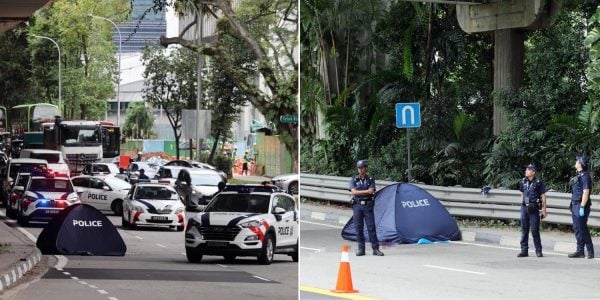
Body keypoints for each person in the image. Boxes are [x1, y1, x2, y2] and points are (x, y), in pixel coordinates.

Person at [349, 160, 384, 257]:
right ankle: (361, 249)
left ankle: (375, 249)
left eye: (362, 168)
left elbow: (372, 191)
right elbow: (354, 192)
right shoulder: (353, 179)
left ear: (365, 168)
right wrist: (366, 191)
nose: (360, 170)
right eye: (359, 168)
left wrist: (360, 191)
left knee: (371, 227)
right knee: (358, 228)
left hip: (368, 205)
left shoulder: (370, 179)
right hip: (357, 206)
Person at [517, 163, 547, 258]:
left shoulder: (538, 182)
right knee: (524, 229)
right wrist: (524, 203)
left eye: (528, 169)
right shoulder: (523, 181)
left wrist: (544, 210)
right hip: (525, 208)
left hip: (534, 209)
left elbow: (543, 197)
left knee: (534, 230)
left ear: (533, 172)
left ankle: (538, 250)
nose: (526, 171)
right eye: (526, 169)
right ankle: (524, 250)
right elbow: (521, 193)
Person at [568, 156, 594, 259]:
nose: (575, 162)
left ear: (580, 164)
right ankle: (580, 251)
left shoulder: (585, 176)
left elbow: (586, 191)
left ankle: (590, 251)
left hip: (580, 205)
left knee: (583, 229)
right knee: (577, 229)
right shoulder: (578, 175)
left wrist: (582, 206)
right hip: (575, 205)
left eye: (577, 161)